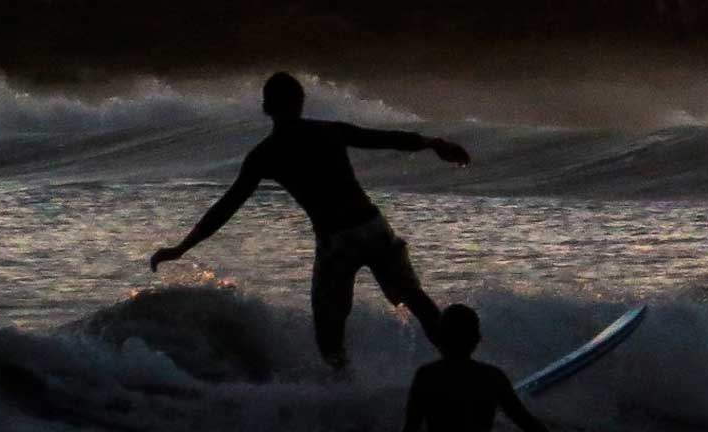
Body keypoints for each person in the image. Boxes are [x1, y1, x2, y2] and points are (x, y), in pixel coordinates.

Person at [147, 72, 471, 369]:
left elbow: (226, 207)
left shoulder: (265, 154)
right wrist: (434, 144)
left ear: (265, 107)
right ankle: (461, 369)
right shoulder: (327, 131)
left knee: (329, 330)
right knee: (416, 300)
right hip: (372, 227)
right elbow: (385, 138)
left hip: (337, 241)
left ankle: (341, 391)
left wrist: (181, 248)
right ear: (300, 103)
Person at [371, 303, 576, 432]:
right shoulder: (491, 376)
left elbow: (410, 431)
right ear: (477, 339)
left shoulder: (428, 376)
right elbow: (527, 423)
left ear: (440, 338)